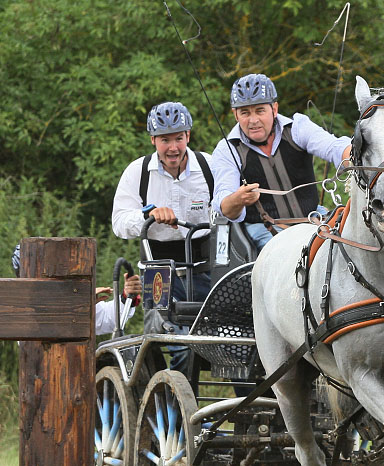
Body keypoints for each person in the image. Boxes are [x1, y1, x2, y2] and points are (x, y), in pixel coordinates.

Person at [210, 73, 352, 249]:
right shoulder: (228, 149)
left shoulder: (298, 128)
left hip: (314, 217)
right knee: (292, 256)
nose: (253, 120)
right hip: (263, 229)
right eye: (245, 112)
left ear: (274, 109)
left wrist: (353, 155)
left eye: (260, 110)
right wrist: (238, 199)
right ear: (235, 115)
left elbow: (334, 147)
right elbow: (224, 205)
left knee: (351, 244)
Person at [112, 101, 214, 303]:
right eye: (165, 140)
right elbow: (119, 223)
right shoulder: (137, 171)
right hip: (157, 272)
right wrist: (148, 215)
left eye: (179, 138)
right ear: (153, 140)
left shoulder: (209, 166)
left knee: (213, 329)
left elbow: (227, 213)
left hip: (206, 269)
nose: (173, 148)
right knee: (161, 330)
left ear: (188, 136)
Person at [12, 244, 140, 336]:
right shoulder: (16, 306)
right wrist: (78, 303)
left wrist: (126, 297)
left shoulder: (67, 294)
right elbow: (43, 324)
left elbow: (109, 319)